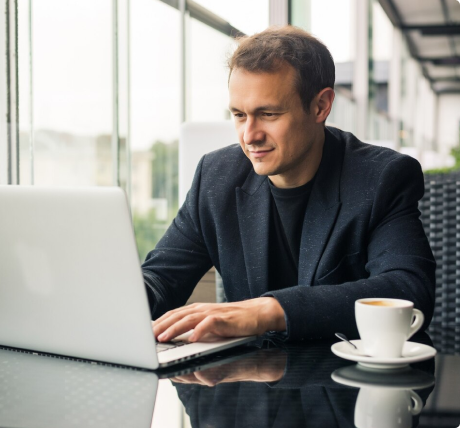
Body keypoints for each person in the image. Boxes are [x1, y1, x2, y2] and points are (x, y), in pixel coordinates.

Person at [142, 26, 435, 343]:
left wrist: (269, 311)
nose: (249, 135)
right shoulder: (215, 177)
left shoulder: (381, 178)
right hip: (247, 381)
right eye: (239, 115)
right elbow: (161, 279)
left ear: (320, 106)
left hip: (345, 382)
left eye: (268, 114)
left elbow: (408, 290)